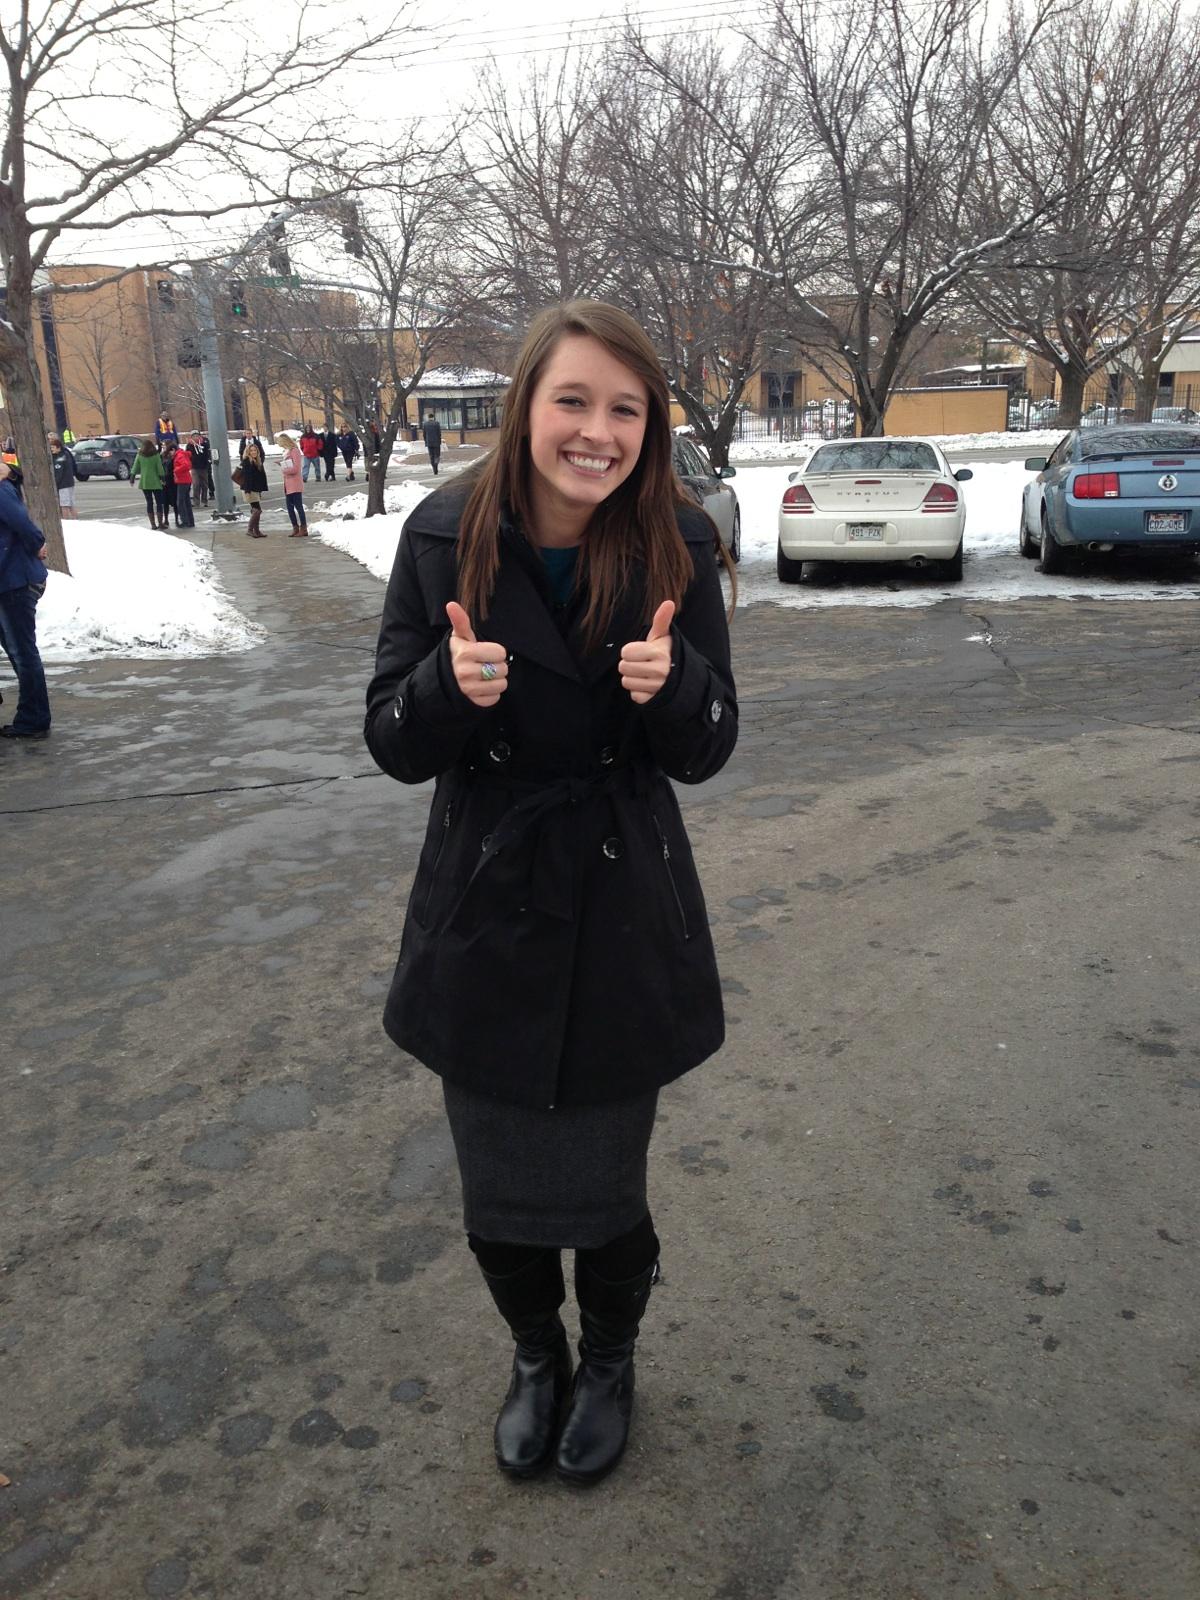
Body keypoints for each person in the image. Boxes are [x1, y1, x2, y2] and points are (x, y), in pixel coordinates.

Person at [364, 300, 738, 1486]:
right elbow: (390, 737)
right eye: (573, 399)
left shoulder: (679, 541)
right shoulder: (442, 537)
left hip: (623, 915)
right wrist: (444, 689)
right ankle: (538, 1354)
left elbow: (710, 745)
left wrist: (678, 685)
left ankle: (610, 1359)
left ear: (651, 426)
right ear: (526, 402)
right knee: (499, 1192)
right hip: (486, 910)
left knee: (606, 1189)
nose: (597, 431)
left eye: (625, 408)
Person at [0, 457, 52, 739]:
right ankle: (33, 714)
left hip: (15, 581)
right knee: (17, 651)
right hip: (9, 581)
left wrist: (37, 545)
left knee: (22, 652)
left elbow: (25, 526)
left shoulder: (1, 490)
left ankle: (34, 718)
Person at [131, 438, 169, 529]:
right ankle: (160, 523)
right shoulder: (155, 455)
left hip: (145, 482)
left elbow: (135, 467)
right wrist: (163, 478)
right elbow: (159, 468)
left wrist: (132, 478)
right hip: (155, 482)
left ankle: (153, 524)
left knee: (149, 503)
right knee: (159, 503)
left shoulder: (140, 455)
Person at [277, 433, 308, 536]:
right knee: (290, 508)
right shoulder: (286, 452)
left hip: (295, 483)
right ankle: (295, 527)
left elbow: (296, 468)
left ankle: (303, 528)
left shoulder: (294, 451)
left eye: (279, 442)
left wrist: (284, 469)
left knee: (298, 506)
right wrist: (282, 464)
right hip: (288, 484)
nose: (279, 444)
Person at [240, 440, 269, 536]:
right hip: (250, 489)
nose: (253, 452)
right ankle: (250, 530)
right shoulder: (247, 462)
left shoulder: (257, 461)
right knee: (257, 510)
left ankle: (256, 531)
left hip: (255, 489)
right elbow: (247, 477)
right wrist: (248, 490)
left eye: (255, 450)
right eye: (251, 451)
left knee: (256, 510)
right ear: (248, 452)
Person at [49, 435, 77, 519]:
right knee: (71, 504)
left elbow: (59, 473)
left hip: (63, 485)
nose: (51, 449)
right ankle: (75, 520)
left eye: (53, 447)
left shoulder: (60, 458)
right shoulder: (66, 453)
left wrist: (55, 484)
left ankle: (67, 521)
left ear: (58, 448)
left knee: (64, 505)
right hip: (70, 483)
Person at [171, 433, 195, 528]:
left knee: (180, 502)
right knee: (186, 501)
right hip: (185, 480)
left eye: (170, 452)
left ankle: (185, 521)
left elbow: (186, 465)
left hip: (183, 481)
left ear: (173, 450)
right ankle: (190, 521)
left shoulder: (179, 455)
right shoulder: (181, 454)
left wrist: (176, 470)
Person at [189, 433, 212, 506]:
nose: (196, 437)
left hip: (203, 467)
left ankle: (204, 500)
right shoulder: (190, 445)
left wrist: (208, 462)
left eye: (197, 436)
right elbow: (188, 455)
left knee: (204, 485)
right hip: (194, 467)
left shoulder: (204, 444)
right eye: (194, 436)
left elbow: (208, 453)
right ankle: (196, 501)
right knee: (196, 484)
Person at [422, 409, 442, 475]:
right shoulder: (437, 423)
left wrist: (426, 441)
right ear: (433, 417)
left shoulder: (425, 424)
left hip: (429, 443)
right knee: (437, 455)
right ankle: (436, 463)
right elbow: (439, 433)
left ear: (428, 417)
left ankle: (434, 468)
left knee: (431, 456)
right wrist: (439, 441)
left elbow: (424, 434)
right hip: (436, 442)